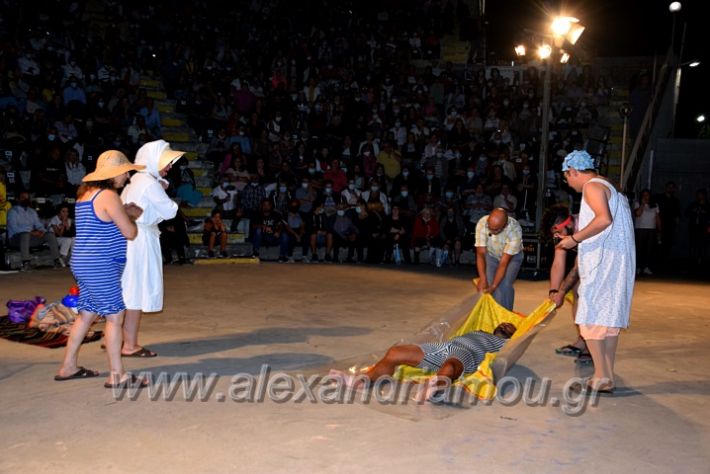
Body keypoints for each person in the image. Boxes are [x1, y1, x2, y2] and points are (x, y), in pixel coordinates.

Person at [55, 150, 147, 388]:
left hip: (83, 262)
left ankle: (68, 367)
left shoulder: (85, 194)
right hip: (101, 264)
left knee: (86, 315)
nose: (127, 178)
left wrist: (122, 212)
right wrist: (133, 216)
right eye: (125, 173)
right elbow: (129, 233)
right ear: (114, 173)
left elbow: (102, 221)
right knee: (115, 316)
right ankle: (118, 375)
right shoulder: (109, 195)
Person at [554, 150, 635, 395]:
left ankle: (600, 376)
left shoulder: (592, 187)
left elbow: (603, 219)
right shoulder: (611, 188)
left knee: (589, 317)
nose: (567, 182)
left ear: (573, 171)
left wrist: (573, 239)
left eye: (567, 177)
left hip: (604, 262)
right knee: (608, 321)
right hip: (618, 262)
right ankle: (606, 376)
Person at [330, 322, 516, 402]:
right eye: (504, 324)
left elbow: (514, 348)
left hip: (468, 354)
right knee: (395, 352)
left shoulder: (503, 343)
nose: (505, 324)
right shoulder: (479, 331)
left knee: (450, 366)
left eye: (510, 326)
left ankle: (435, 390)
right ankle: (363, 381)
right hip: (444, 347)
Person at [120, 140, 185, 358]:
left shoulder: (136, 180)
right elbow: (170, 211)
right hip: (141, 240)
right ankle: (129, 344)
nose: (169, 166)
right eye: (166, 162)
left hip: (130, 237)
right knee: (135, 291)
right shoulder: (149, 183)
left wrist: (160, 184)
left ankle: (117, 337)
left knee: (127, 289)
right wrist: (164, 190)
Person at [545, 206, 590, 365]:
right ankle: (582, 340)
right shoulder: (563, 231)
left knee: (584, 294)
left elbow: (578, 268)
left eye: (559, 233)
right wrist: (554, 291)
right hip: (586, 260)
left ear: (567, 223)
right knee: (577, 292)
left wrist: (562, 292)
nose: (558, 237)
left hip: (609, 259)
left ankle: (591, 347)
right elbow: (558, 263)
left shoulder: (584, 226)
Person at [474, 208, 523, 311]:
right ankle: (492, 316)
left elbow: (504, 263)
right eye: (489, 227)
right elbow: (480, 254)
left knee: (504, 285)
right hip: (491, 255)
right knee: (488, 284)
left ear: (504, 227)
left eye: (495, 229)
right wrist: (483, 279)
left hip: (512, 258)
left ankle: (505, 320)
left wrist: (494, 286)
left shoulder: (514, 230)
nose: (491, 231)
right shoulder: (483, 223)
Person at [7, 191, 63, 270]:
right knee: (25, 235)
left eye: (27, 198)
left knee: (49, 234)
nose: (26, 199)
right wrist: (31, 232)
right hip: (16, 239)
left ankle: (57, 261)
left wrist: (42, 232)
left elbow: (38, 225)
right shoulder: (12, 212)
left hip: (31, 237)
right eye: (23, 198)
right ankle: (26, 263)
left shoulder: (32, 211)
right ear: (17, 199)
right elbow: (15, 228)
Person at [633, 188, 661, 276]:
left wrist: (659, 230)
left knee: (649, 250)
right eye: (644, 195)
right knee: (639, 249)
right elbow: (637, 214)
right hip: (640, 229)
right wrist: (642, 204)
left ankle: (646, 267)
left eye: (647, 195)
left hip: (651, 230)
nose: (645, 197)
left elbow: (657, 218)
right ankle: (638, 267)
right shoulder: (638, 204)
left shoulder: (655, 205)